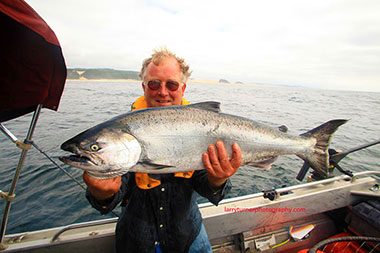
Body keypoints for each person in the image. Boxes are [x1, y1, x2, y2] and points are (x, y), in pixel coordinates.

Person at [83, 48, 242, 252]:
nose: (163, 92)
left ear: (183, 89)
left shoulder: (202, 127)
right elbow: (111, 198)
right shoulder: (121, 133)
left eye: (172, 85)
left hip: (189, 238)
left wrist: (218, 180)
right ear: (144, 87)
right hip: (136, 241)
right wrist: (101, 193)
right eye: (154, 84)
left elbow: (206, 188)